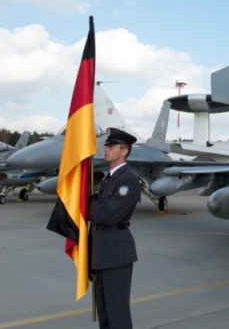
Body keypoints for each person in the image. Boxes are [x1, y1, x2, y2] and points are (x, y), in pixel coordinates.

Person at [89, 128, 141, 329]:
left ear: (124, 151)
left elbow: (107, 215)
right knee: (104, 310)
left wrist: (89, 203)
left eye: (111, 146)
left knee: (117, 312)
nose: (106, 149)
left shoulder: (127, 179)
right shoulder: (108, 178)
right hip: (102, 249)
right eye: (106, 145)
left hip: (116, 250)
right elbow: (100, 208)